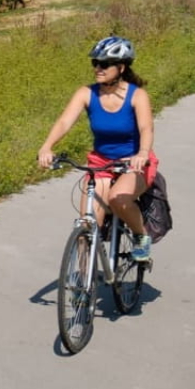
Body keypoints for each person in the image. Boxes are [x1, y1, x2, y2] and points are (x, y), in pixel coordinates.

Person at [37, 36, 158, 261]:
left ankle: (141, 236)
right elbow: (64, 122)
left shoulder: (137, 95)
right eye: (95, 63)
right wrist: (47, 146)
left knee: (118, 199)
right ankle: (82, 286)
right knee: (88, 224)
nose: (98, 69)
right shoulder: (86, 93)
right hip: (101, 162)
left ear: (120, 68)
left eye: (104, 64)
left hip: (133, 162)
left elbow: (146, 128)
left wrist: (142, 154)